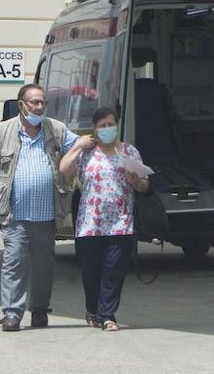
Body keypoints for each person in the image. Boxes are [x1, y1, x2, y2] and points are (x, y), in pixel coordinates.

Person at [0, 83, 77, 331]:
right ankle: (12, 313)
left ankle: (39, 310)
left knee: (44, 268)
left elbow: (77, 146)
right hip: (14, 215)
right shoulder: (3, 132)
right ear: (21, 105)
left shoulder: (55, 129)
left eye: (42, 102)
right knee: (14, 264)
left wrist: (96, 145)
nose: (39, 106)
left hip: (46, 216)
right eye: (34, 102)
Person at [59, 106, 151, 332]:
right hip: (90, 225)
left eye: (111, 124)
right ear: (95, 130)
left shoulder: (129, 152)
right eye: (103, 126)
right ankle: (92, 309)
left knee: (113, 271)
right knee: (91, 273)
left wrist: (136, 181)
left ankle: (107, 315)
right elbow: (64, 170)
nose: (108, 129)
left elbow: (144, 185)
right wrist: (78, 145)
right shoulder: (87, 153)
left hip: (120, 223)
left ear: (117, 126)